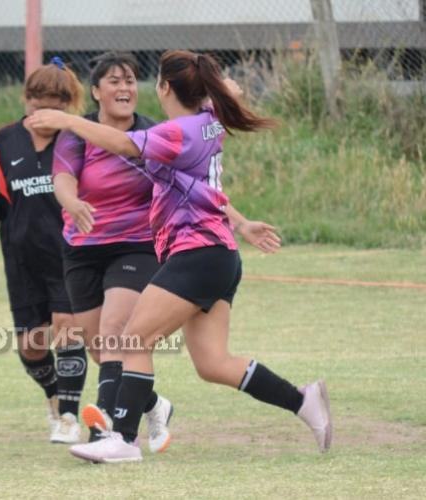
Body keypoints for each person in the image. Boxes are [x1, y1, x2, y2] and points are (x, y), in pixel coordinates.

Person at [26, 50, 331, 463]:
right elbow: (201, 177)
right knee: (213, 363)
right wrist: (242, 224)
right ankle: (302, 400)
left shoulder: (176, 132)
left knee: (132, 337)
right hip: (220, 254)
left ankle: (123, 438)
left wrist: (64, 119)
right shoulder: (208, 121)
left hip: (196, 253)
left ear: (165, 88)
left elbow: (119, 142)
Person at [49, 51, 174, 450]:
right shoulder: (76, 134)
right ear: (96, 91)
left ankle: (107, 430)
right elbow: (63, 178)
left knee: (115, 331)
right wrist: (71, 202)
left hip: (136, 246)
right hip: (83, 248)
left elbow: (190, 182)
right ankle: (154, 404)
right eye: (115, 81)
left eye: (130, 80)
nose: (124, 88)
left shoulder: (151, 135)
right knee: (103, 350)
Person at [0, 58, 88, 443]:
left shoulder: (79, 139)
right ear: (26, 99)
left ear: (69, 103)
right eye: (38, 99)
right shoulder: (3, 142)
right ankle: (55, 397)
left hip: (70, 254)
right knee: (31, 346)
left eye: (56, 101)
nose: (44, 108)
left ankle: (71, 417)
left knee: (66, 329)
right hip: (21, 259)